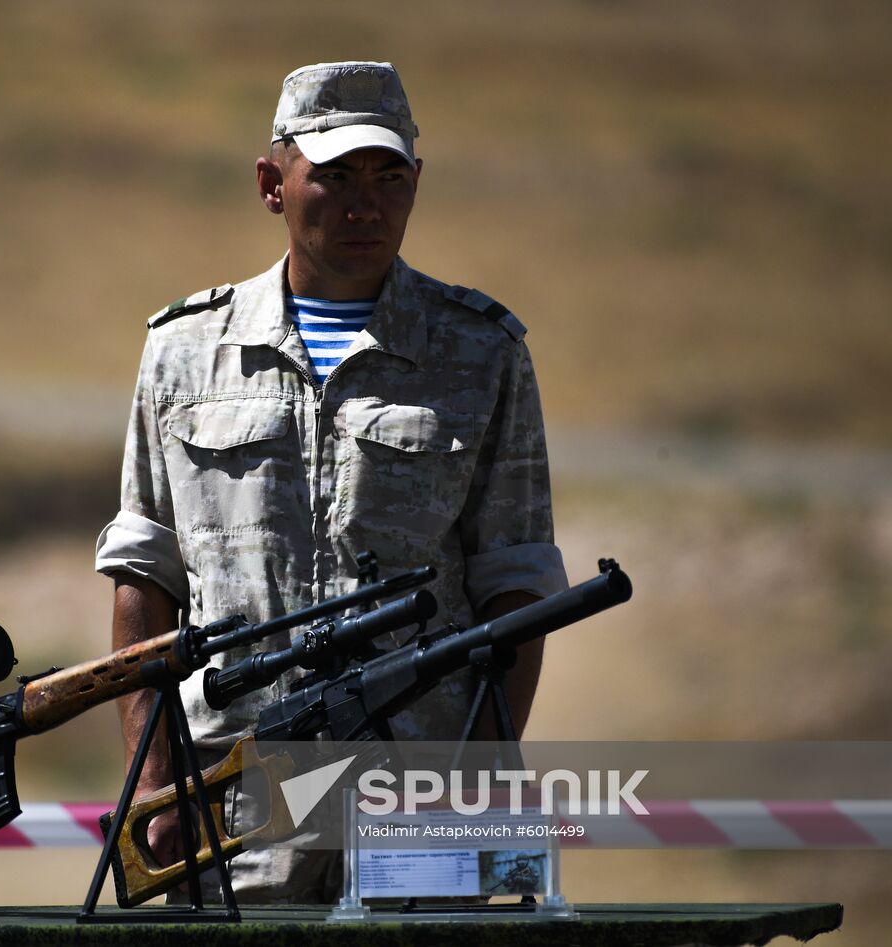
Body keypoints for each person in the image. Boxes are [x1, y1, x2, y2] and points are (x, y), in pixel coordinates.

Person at [94, 61, 569, 903]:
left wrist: (482, 780)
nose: (365, 204)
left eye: (389, 177)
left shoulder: (481, 353)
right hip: (233, 799)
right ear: (271, 183)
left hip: (418, 797)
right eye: (336, 176)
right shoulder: (185, 351)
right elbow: (146, 574)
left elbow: (516, 584)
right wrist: (155, 776)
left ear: (417, 184)